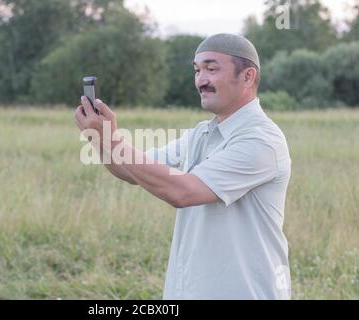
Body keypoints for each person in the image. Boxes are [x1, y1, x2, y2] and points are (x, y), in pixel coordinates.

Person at [74, 33, 292, 299]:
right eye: (197, 70)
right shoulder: (200, 133)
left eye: (212, 69)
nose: (201, 81)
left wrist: (112, 141)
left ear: (247, 77)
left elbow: (182, 192)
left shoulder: (261, 140)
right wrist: (101, 138)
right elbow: (131, 171)